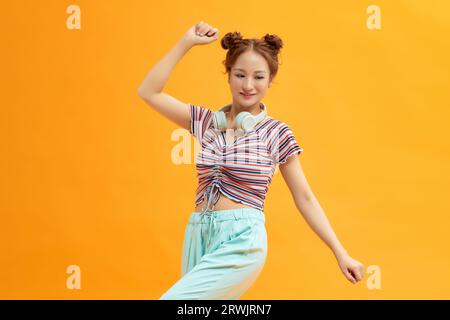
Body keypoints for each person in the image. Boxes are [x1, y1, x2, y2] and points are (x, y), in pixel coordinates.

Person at [138, 21, 365, 300]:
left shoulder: (277, 133)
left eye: (258, 77)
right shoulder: (206, 122)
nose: (248, 85)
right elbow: (149, 92)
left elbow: (304, 197)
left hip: (242, 237)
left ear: (270, 80)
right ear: (228, 75)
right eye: (239, 74)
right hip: (198, 233)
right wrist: (186, 42)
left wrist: (340, 252)